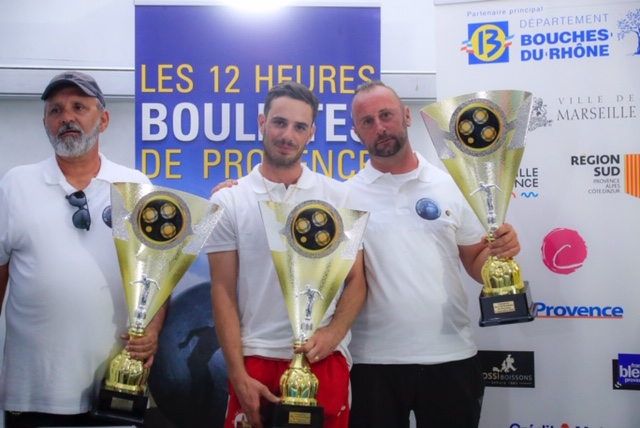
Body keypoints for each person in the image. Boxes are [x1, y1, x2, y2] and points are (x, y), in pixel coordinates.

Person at [346, 80, 522, 428]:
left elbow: (475, 261)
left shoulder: (452, 184)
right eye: (367, 121)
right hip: (372, 363)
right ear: (356, 131)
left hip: (451, 357)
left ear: (406, 116)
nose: (379, 127)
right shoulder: (344, 197)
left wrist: (499, 253)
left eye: (386, 115)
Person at [0, 71, 167, 427]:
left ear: (103, 120)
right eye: (56, 111)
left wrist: (151, 332)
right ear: (45, 122)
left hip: (116, 385)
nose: (67, 118)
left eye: (79, 107)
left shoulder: (135, 186)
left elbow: (157, 274)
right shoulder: (15, 185)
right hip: (34, 389)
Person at [205, 82, 366, 428]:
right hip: (256, 362)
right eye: (279, 123)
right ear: (262, 123)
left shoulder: (339, 196)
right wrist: (237, 375)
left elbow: (356, 281)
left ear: (312, 133)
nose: (287, 135)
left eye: (299, 127)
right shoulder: (229, 201)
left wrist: (334, 332)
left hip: (323, 358)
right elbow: (222, 291)